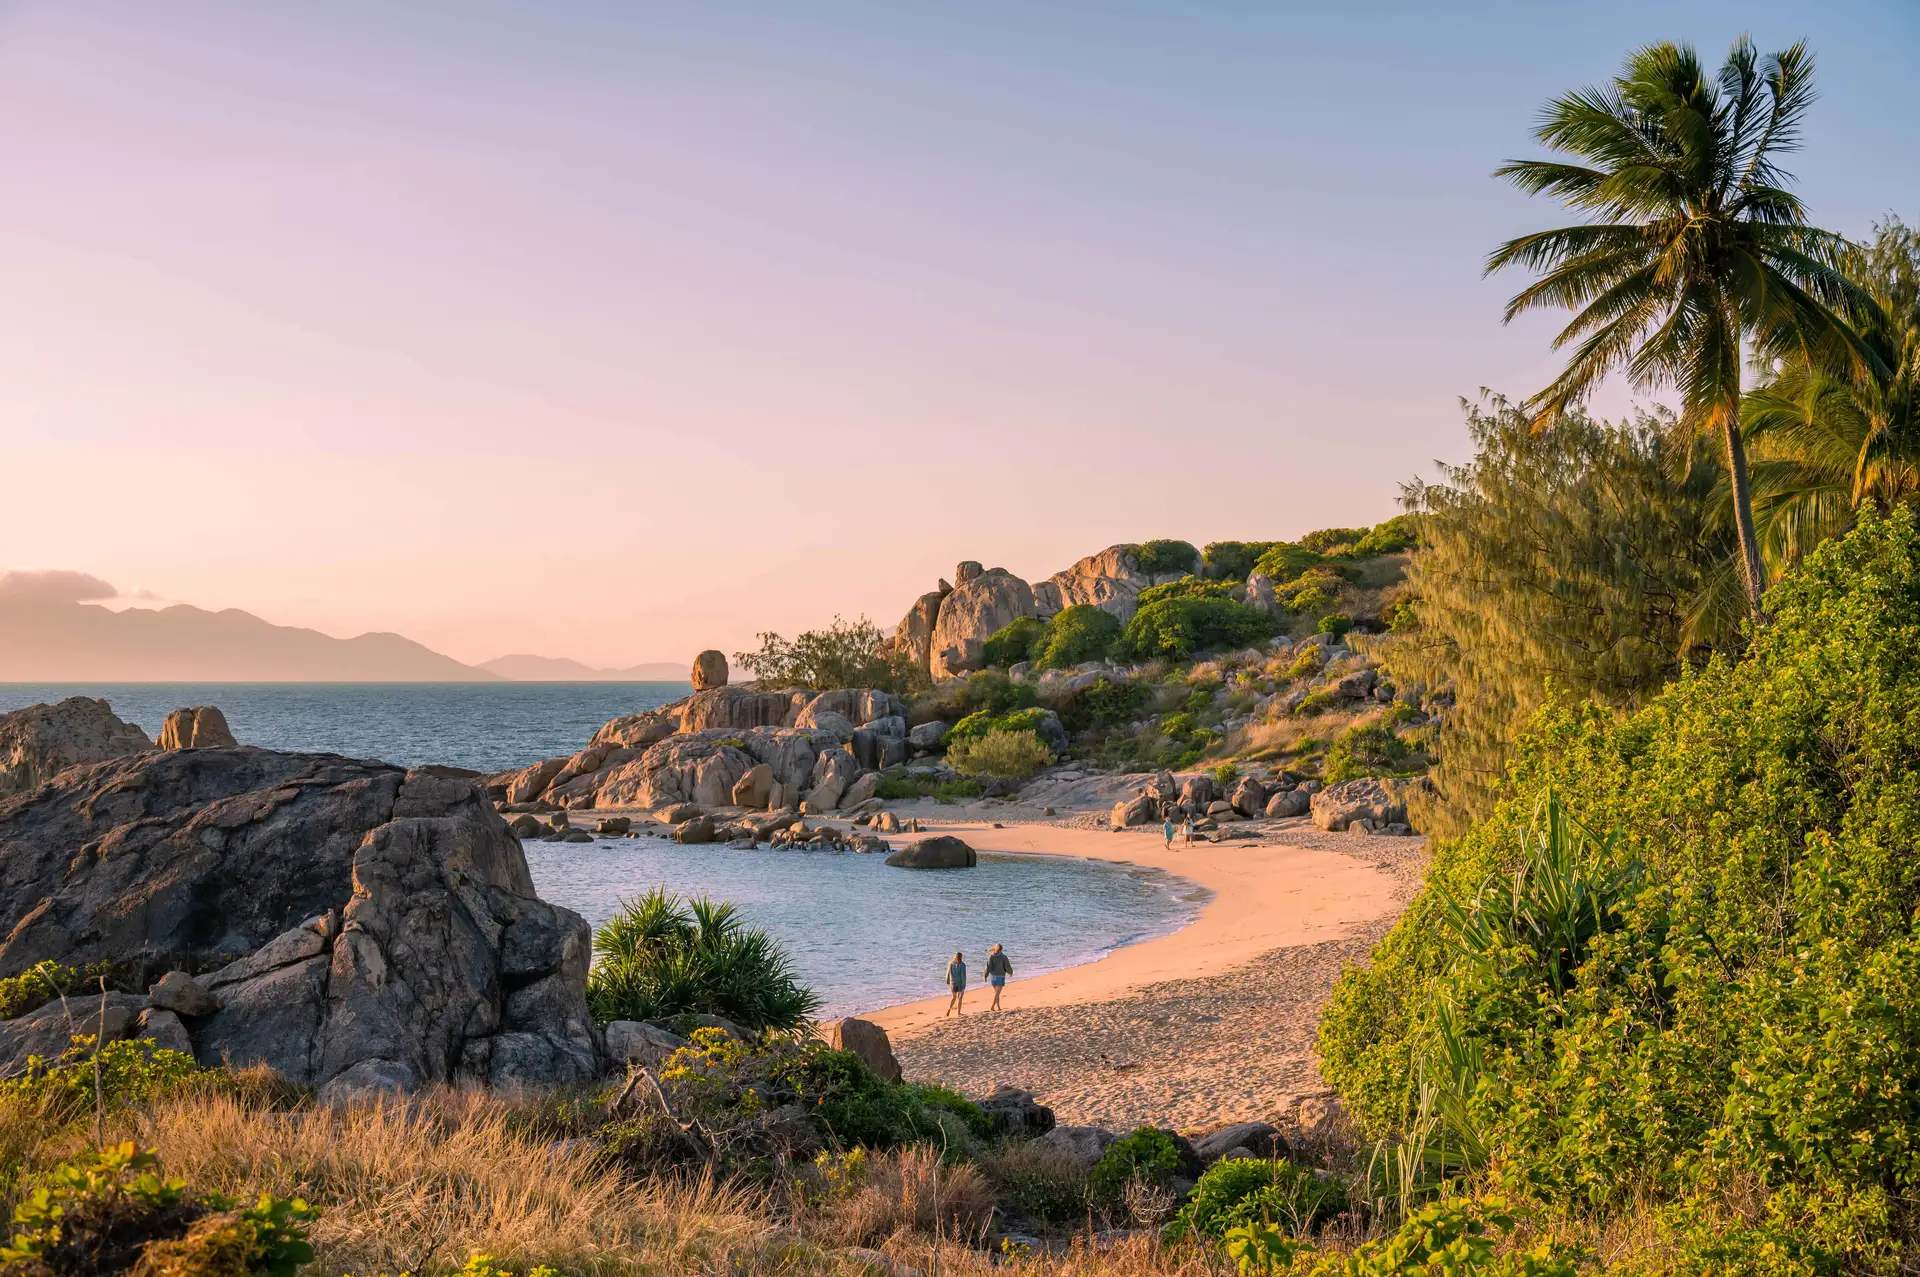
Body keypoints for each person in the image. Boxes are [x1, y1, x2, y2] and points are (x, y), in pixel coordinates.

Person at [985, 943, 1013, 1010]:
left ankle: (998, 1007)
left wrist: (985, 975)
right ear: (1001, 949)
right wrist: (1010, 972)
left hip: (993, 977)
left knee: (996, 993)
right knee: (997, 993)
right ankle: (992, 1007)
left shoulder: (991, 956)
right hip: (1000, 976)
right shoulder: (1004, 957)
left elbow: (988, 967)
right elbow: (1007, 966)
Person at [944, 951, 967, 1016]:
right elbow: (963, 976)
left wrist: (947, 980)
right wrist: (964, 985)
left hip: (953, 983)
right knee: (960, 998)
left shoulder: (950, 963)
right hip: (959, 983)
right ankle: (958, 1012)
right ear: (961, 957)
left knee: (953, 998)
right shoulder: (962, 965)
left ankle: (949, 1010)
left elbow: (948, 973)